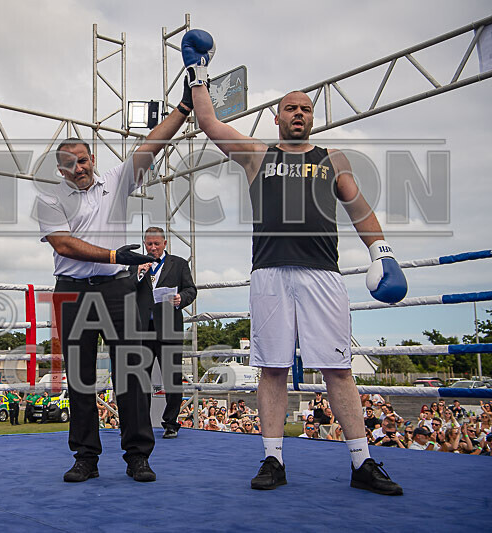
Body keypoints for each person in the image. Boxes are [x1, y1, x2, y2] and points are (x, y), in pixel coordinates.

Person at [187, 29, 406, 495]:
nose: (300, 114)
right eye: (291, 108)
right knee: (271, 366)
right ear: (277, 116)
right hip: (269, 273)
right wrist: (197, 74)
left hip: (322, 274)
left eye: (306, 108)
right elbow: (210, 124)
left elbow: (360, 210)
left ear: (312, 117)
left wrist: (382, 253)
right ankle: (272, 459)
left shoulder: (333, 158)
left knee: (338, 369)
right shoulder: (256, 155)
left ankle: (362, 462)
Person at [36, 82, 195, 484]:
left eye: (85, 159)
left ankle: (137, 455)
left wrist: (183, 107)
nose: (81, 167)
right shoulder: (50, 198)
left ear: (92, 158)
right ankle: (86, 457)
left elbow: (151, 145)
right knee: (80, 377)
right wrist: (112, 255)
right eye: (72, 163)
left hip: (117, 288)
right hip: (72, 290)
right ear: (61, 169)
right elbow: (63, 244)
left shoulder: (117, 179)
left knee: (133, 373)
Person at [129, 226, 197, 439]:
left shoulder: (179, 264)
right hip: (142, 330)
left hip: (169, 328)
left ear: (165, 243)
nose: (153, 248)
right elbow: (126, 288)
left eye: (156, 244)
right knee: (141, 380)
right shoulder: (135, 264)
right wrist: (139, 273)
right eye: (149, 244)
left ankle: (170, 423)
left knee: (172, 379)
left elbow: (191, 290)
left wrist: (181, 299)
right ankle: (142, 424)